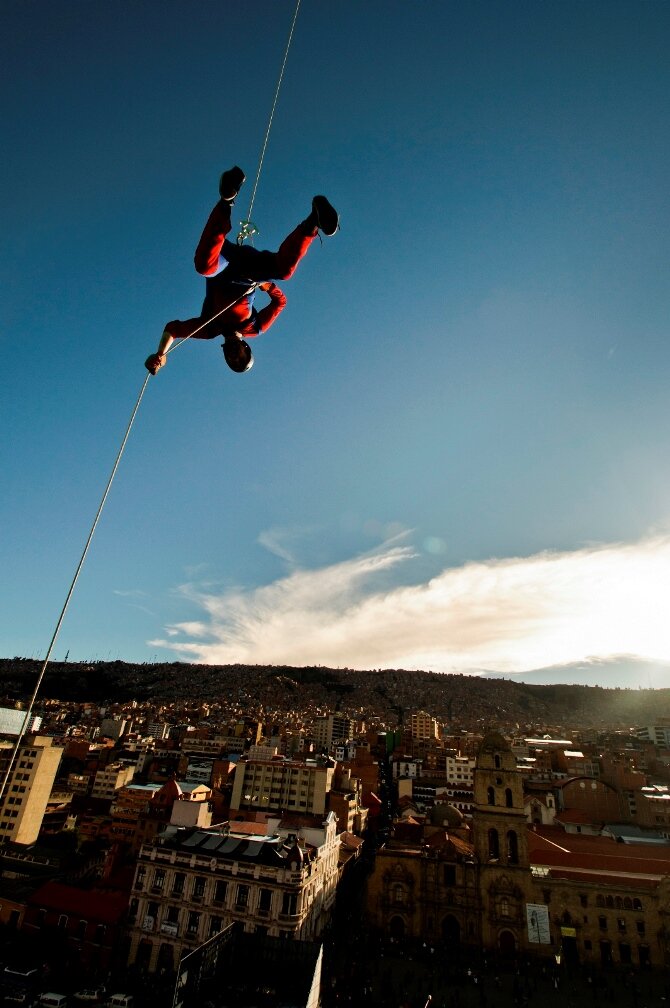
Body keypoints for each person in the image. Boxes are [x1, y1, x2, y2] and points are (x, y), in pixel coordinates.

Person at [145, 166, 338, 375]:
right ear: (246, 349)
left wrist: (160, 353)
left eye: (231, 361)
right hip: (249, 272)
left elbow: (173, 329)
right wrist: (267, 286)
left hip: (223, 264)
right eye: (239, 358)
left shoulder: (210, 328)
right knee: (285, 272)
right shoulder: (254, 328)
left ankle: (226, 199)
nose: (232, 356)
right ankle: (314, 221)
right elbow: (280, 302)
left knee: (204, 266)